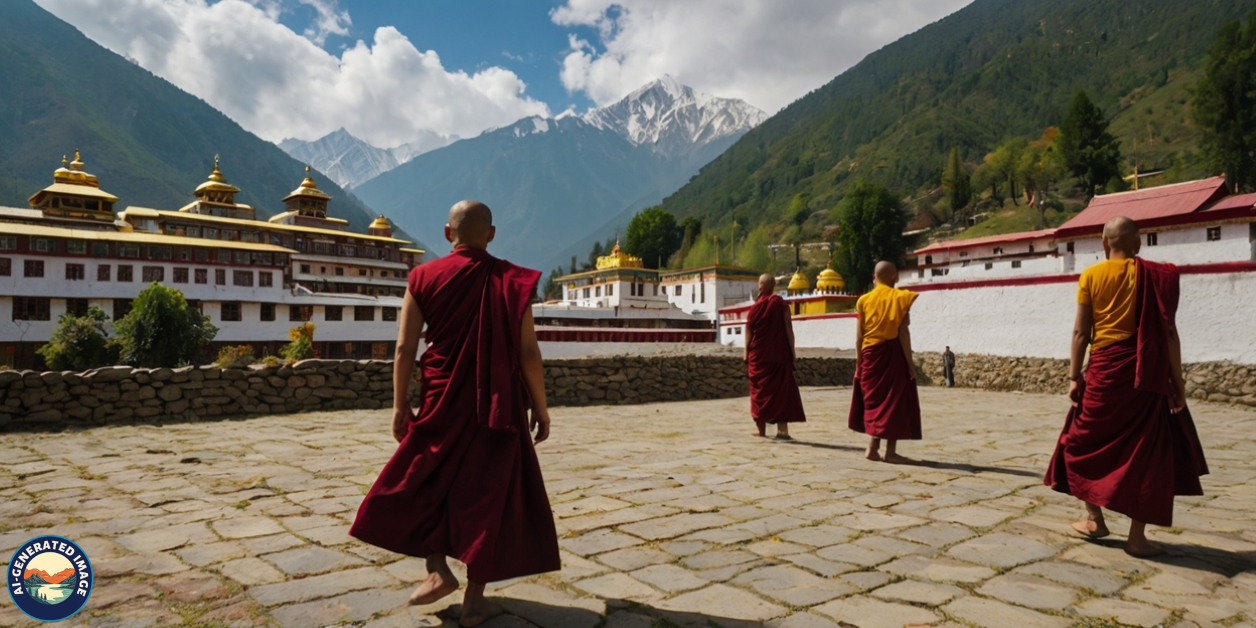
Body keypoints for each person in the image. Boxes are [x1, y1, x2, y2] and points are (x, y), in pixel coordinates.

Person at [349, 200, 560, 625]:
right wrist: (541, 406)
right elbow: (528, 352)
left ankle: (437, 569)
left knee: (428, 479)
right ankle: (474, 600)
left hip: (439, 398)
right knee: (488, 493)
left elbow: (406, 348)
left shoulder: (422, 277)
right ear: (492, 234)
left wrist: (398, 404)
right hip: (495, 406)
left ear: (448, 234)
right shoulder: (509, 279)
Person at [1045, 216, 1208, 558]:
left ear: (1104, 244)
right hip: (1145, 374)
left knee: (1081, 442)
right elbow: (1168, 332)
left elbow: (1080, 333)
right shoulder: (1152, 275)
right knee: (1146, 451)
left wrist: (1075, 376)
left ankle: (1093, 517)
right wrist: (1177, 381)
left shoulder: (1091, 275)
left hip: (1104, 372)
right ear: (1138, 245)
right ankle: (1137, 537)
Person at [849, 261, 921, 463]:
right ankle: (890, 452)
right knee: (893, 402)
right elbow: (903, 333)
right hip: (891, 353)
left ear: (874, 277)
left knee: (876, 403)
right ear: (894, 277)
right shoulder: (900, 298)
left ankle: (872, 448)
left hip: (871, 356)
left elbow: (859, 337)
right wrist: (910, 365)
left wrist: (859, 364)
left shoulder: (863, 300)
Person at [744, 273, 806, 439]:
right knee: (782, 393)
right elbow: (788, 329)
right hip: (779, 356)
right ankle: (782, 431)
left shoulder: (755, 308)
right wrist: (792, 352)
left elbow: (748, 331)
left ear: (761, 286)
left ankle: (761, 430)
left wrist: (745, 352)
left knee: (759, 393)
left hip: (759, 357)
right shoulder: (780, 304)